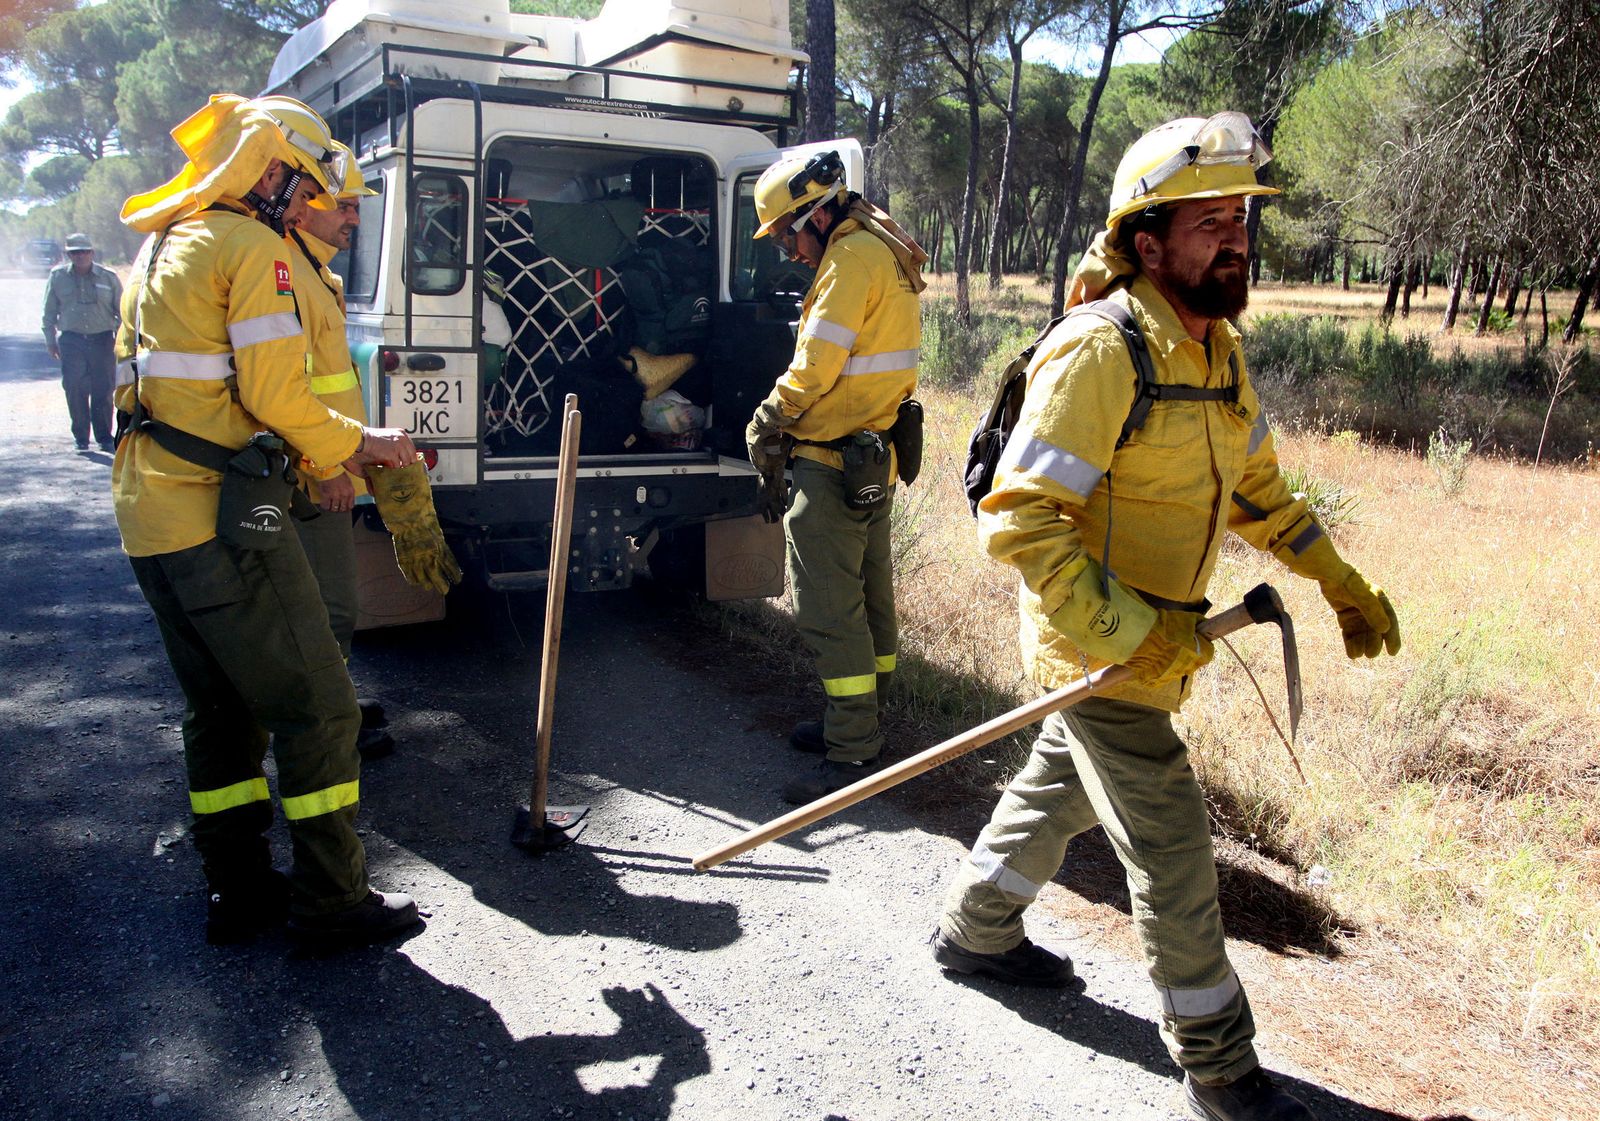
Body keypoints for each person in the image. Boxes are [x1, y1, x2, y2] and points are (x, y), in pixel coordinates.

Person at [930, 114, 1402, 1121]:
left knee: (1057, 787)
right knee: (1175, 846)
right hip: (1088, 645)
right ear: (1147, 243)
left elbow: (1262, 493)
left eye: (1240, 217)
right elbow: (1020, 521)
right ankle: (1219, 1066)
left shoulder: (1218, 354)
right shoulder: (1099, 353)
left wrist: (1338, 578)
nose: (1235, 237)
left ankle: (974, 931)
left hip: (1154, 644)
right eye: (1209, 222)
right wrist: (1125, 631)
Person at [113, 93, 424, 946]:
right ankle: (332, 899)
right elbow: (276, 396)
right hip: (224, 517)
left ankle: (237, 888)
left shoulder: (163, 246)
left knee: (221, 712)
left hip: (150, 512)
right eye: (305, 182)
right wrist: (368, 444)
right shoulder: (252, 247)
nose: (308, 201)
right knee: (321, 708)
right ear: (272, 168)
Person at [743, 151, 926, 805]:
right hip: (873, 457)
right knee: (870, 600)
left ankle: (851, 750)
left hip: (829, 464)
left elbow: (814, 369)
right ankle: (865, 716)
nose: (788, 251)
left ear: (817, 213)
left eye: (788, 234)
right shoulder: (884, 250)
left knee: (828, 608)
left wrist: (766, 420)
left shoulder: (850, 261)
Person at [282, 139, 396, 760]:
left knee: (331, 607)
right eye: (344, 205)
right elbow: (284, 388)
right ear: (305, 207)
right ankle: (326, 725)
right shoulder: (290, 275)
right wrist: (327, 466)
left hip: (331, 465)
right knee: (330, 608)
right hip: (314, 474)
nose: (355, 217)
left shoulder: (316, 273)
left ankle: (334, 703)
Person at [42, 232, 122, 451]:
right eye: (75, 252)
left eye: (84, 251)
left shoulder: (108, 277)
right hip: (71, 341)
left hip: (103, 340)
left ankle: (104, 437)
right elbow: (48, 313)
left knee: (103, 389)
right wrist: (50, 341)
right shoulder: (58, 277)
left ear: (92, 253)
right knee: (74, 387)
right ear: (68, 255)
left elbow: (123, 312)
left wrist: (125, 342)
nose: (80, 256)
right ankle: (81, 438)